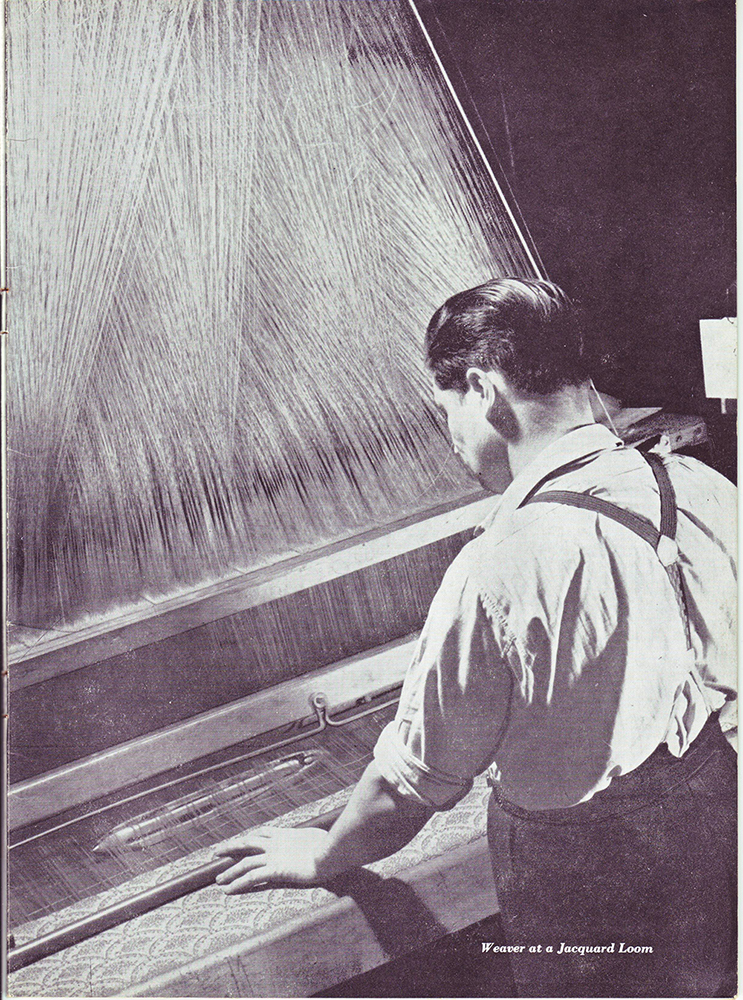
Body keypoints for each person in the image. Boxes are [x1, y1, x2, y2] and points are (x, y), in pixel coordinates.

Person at [215, 278, 737, 997]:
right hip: (714, 862)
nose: (451, 439)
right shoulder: (696, 485)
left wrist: (323, 857)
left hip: (591, 899)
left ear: (483, 389)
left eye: (445, 411)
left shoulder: (500, 564)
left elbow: (408, 787)